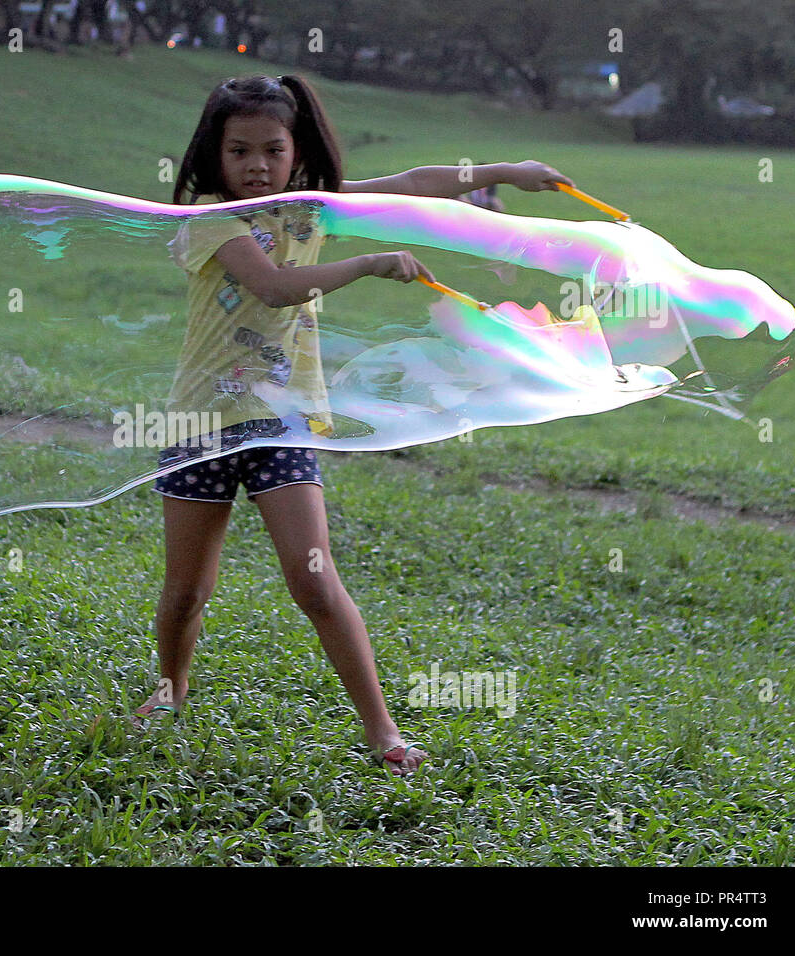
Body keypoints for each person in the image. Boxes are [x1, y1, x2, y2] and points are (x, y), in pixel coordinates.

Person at [139, 73, 572, 775]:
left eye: (273, 150)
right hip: (203, 425)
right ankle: (171, 690)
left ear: (296, 149)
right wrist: (370, 264)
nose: (256, 166)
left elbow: (413, 183)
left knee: (314, 581)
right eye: (239, 151)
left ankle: (384, 733)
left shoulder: (312, 210)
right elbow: (275, 289)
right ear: (213, 157)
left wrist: (506, 173)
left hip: (283, 426)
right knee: (187, 590)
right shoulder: (208, 224)